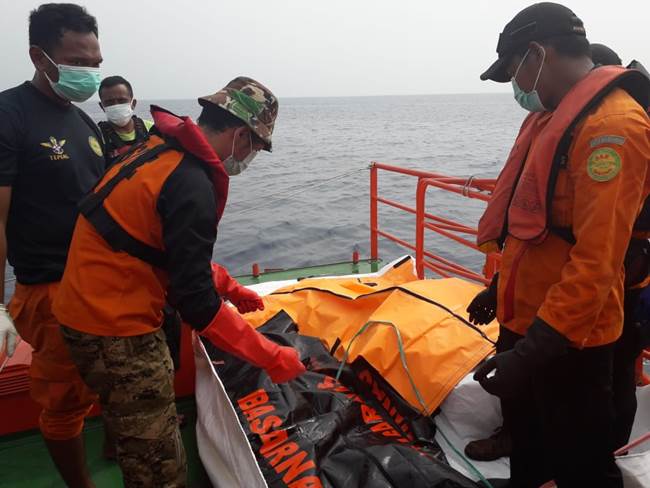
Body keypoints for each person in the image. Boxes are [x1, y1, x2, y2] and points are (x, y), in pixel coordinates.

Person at [51, 76, 306, 487]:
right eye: (256, 147)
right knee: (160, 469)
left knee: (136, 426)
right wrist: (272, 357)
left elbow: (154, 245)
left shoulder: (156, 150)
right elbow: (197, 304)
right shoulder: (190, 183)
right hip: (115, 329)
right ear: (241, 135)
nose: (251, 157)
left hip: (83, 308)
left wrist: (230, 286)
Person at [472, 3, 650, 487]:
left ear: (536, 53)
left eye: (514, 71)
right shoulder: (555, 118)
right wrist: (498, 290)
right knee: (529, 453)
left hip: (570, 343)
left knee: (582, 468)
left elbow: (597, 262)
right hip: (526, 326)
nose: (517, 87)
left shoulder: (612, 129)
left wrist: (531, 355)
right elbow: (536, 232)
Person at [0, 4, 105, 487]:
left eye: (94, 64)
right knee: (64, 403)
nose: (88, 73)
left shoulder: (84, 123)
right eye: (77, 62)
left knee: (103, 385)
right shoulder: (9, 115)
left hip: (102, 286)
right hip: (51, 291)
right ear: (39, 56)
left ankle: (113, 447)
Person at [590, 42, 650, 449]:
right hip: (626, 262)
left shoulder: (622, 123)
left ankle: (608, 453)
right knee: (617, 365)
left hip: (628, 267)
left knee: (615, 367)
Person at [98, 75, 153, 164]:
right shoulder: (97, 136)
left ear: (133, 103)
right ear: (102, 106)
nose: (116, 106)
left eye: (122, 100)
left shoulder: (152, 129)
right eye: (109, 102)